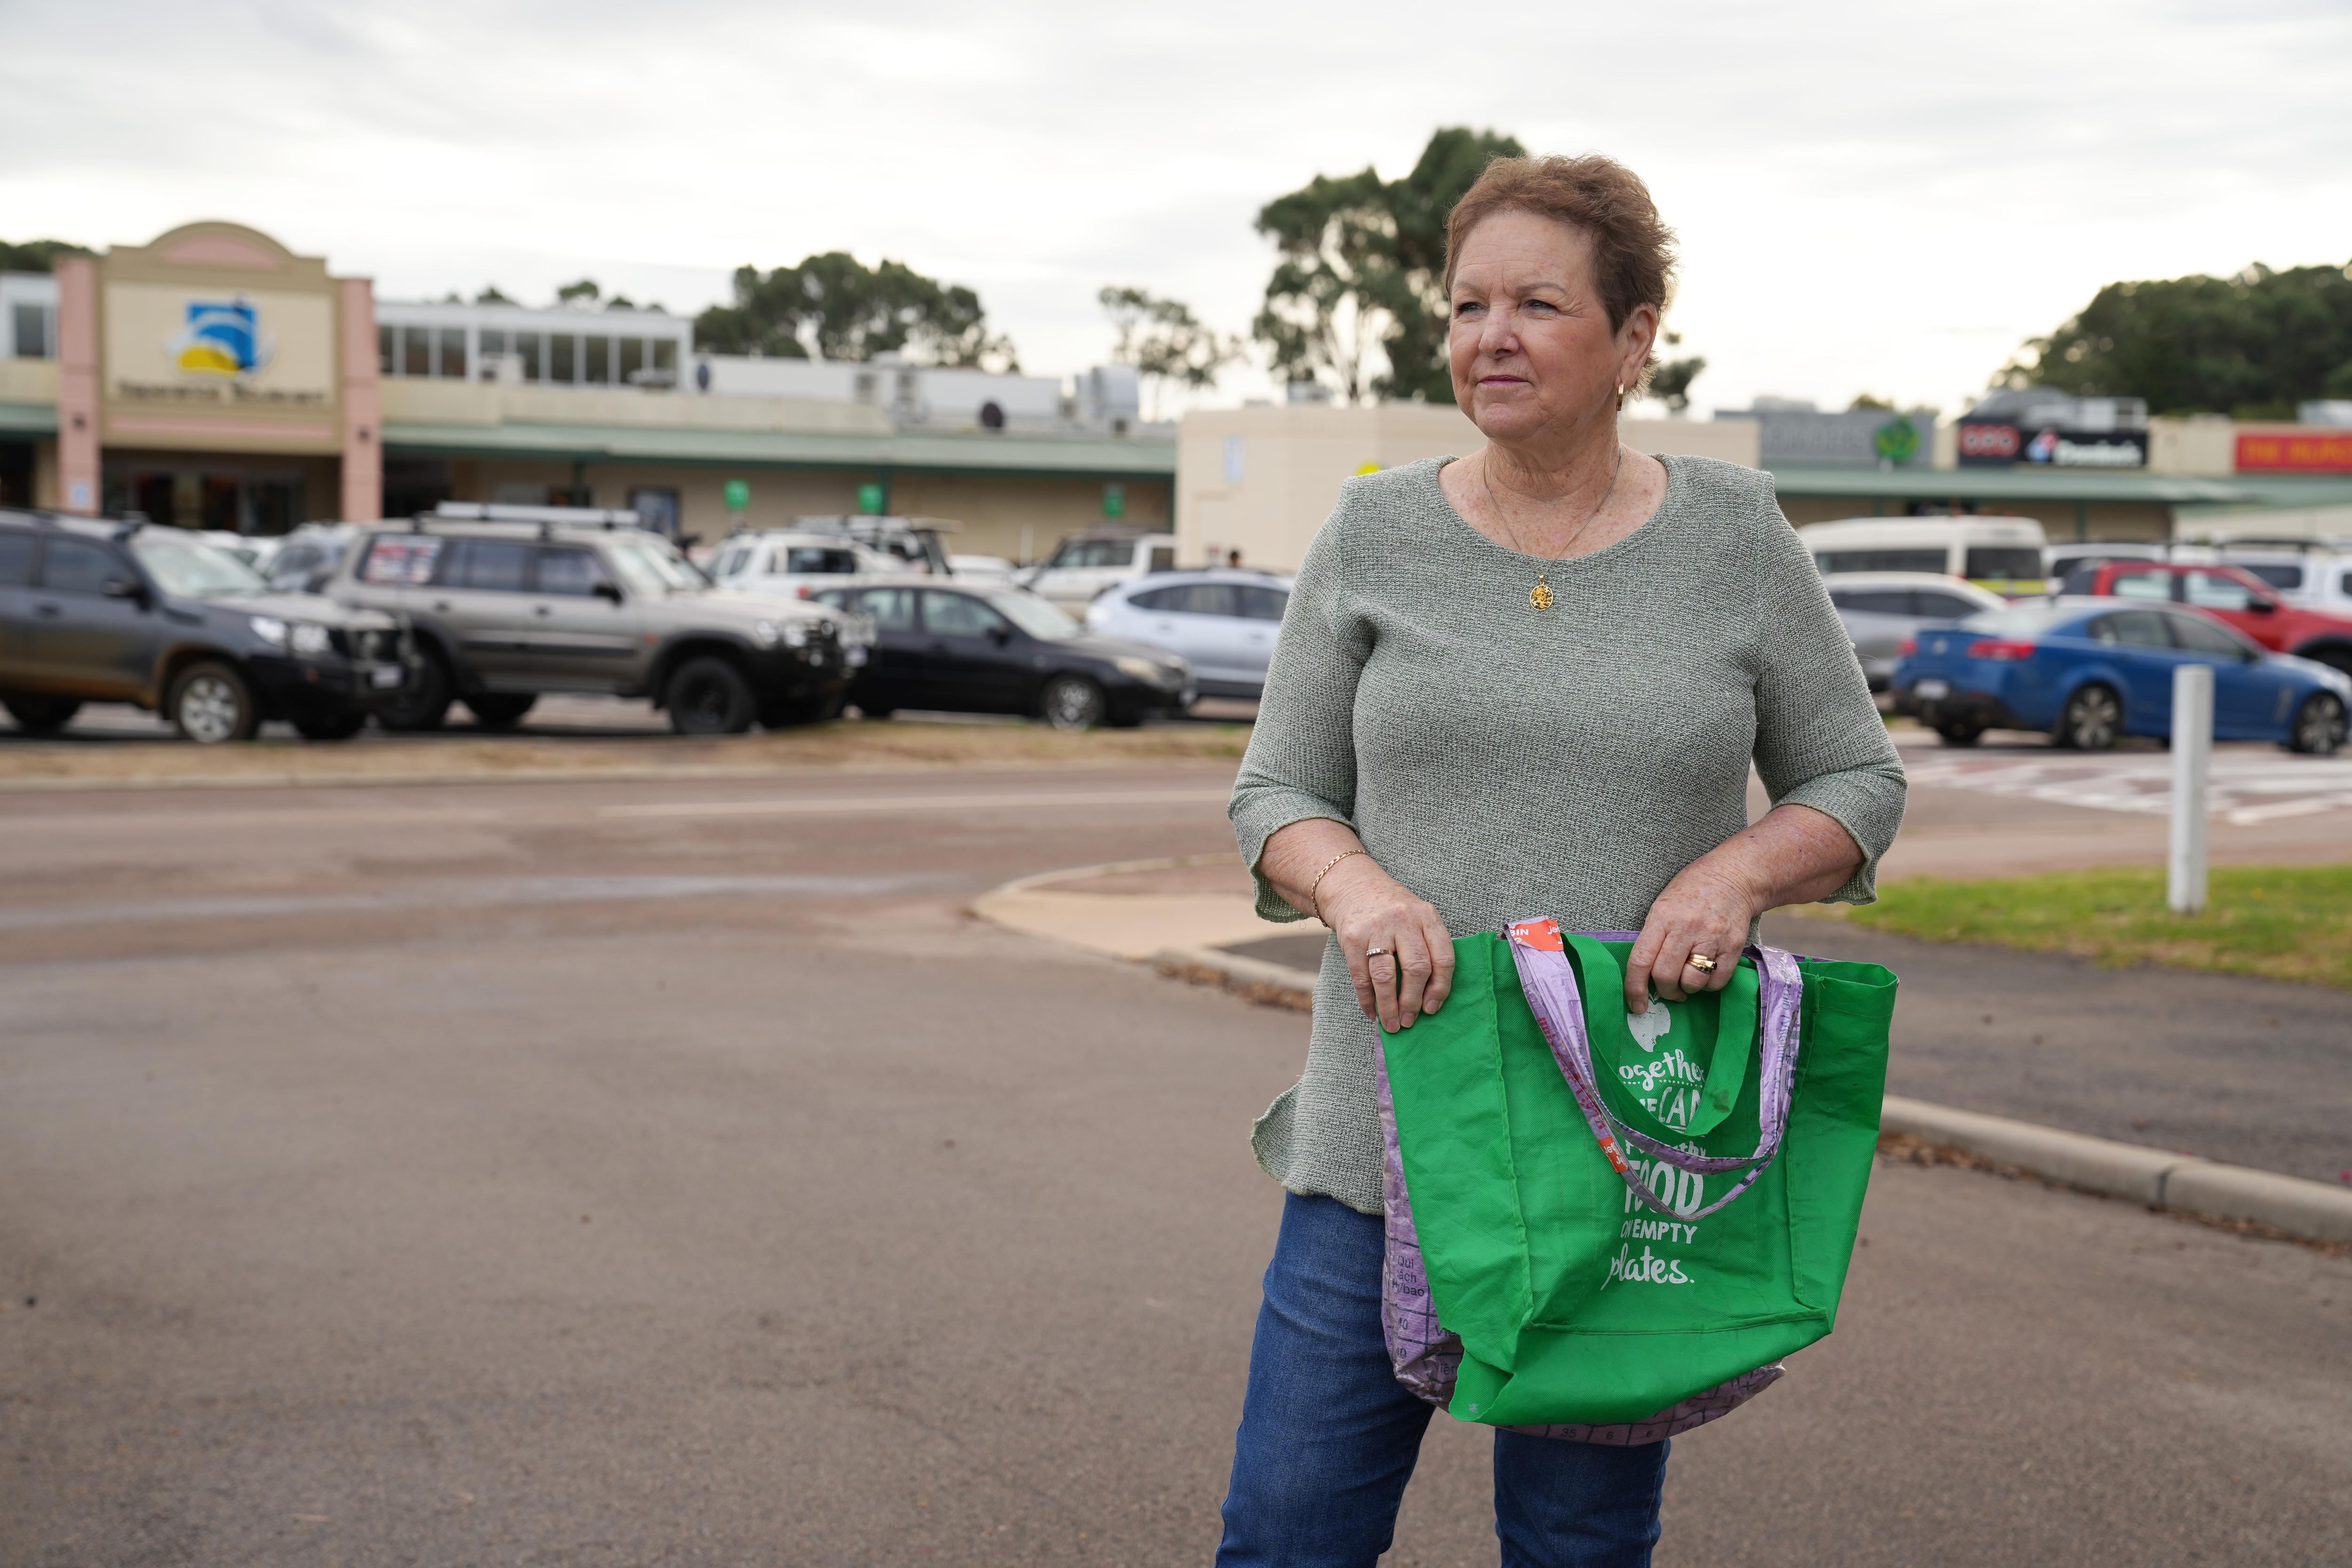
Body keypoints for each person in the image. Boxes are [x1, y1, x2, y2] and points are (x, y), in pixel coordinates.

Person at [1217, 153, 1907, 1567]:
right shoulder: (1374, 531)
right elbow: (1279, 791)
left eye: (1538, 303)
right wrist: (1354, 885)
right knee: (1288, 1539)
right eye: (1469, 305)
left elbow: (1857, 780)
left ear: (1636, 336)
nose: (1492, 337)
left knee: (1579, 1554)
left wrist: (1738, 873)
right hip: (1385, 1136)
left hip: (1622, 1152)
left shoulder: (1739, 538)